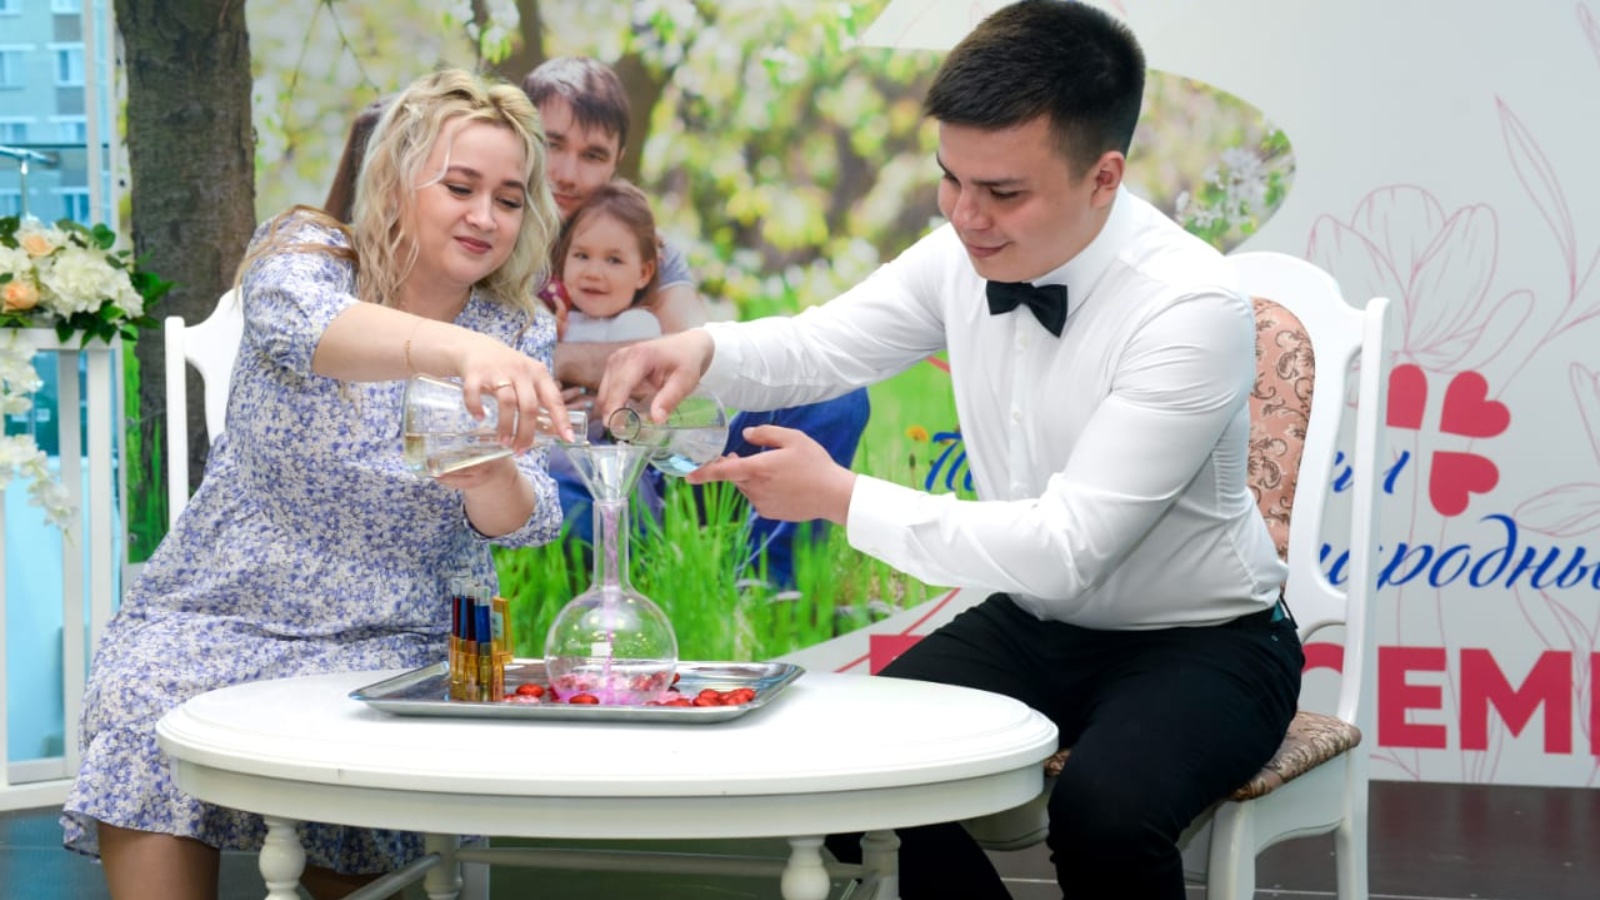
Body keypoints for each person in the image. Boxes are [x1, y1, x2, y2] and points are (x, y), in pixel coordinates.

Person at [594, 3, 1303, 898]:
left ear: (1104, 177)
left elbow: (1068, 547)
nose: (967, 217)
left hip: (1204, 643)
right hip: (1037, 624)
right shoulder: (959, 254)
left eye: (1003, 193)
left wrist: (841, 497)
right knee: (843, 774)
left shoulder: (1189, 307)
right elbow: (822, 345)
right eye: (950, 179)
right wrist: (703, 351)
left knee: (1107, 814)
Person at [61, 69, 570, 900]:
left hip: (402, 628)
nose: (486, 216)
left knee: (375, 752)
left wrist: (492, 477)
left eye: (509, 200)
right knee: (139, 692)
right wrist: (459, 351)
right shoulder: (304, 255)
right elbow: (307, 329)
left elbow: (530, 515)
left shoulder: (517, 326)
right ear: (397, 182)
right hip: (223, 606)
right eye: (460, 187)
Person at [523, 56, 871, 586]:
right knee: (571, 502)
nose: (568, 174)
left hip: (665, 457)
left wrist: (560, 360)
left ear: (617, 160)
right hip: (565, 462)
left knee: (836, 394)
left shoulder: (649, 253)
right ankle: (638, 565)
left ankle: (768, 586)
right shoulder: (489, 240)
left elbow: (696, 363)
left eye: (593, 155)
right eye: (553, 145)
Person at [542, 179, 664, 344]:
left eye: (614, 260)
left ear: (643, 274)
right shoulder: (557, 321)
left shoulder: (636, 323)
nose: (593, 273)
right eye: (582, 256)